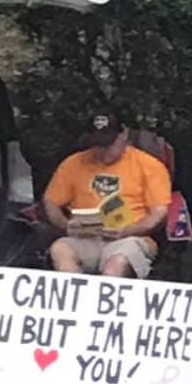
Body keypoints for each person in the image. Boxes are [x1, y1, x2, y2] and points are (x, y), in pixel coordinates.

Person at [43, 113, 172, 278]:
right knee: (60, 250)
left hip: (130, 238)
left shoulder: (149, 166)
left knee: (115, 266)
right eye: (98, 145)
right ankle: (77, 300)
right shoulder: (74, 163)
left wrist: (127, 230)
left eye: (109, 145)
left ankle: (104, 300)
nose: (102, 152)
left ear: (124, 135)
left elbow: (159, 212)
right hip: (85, 238)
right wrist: (65, 224)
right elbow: (50, 201)